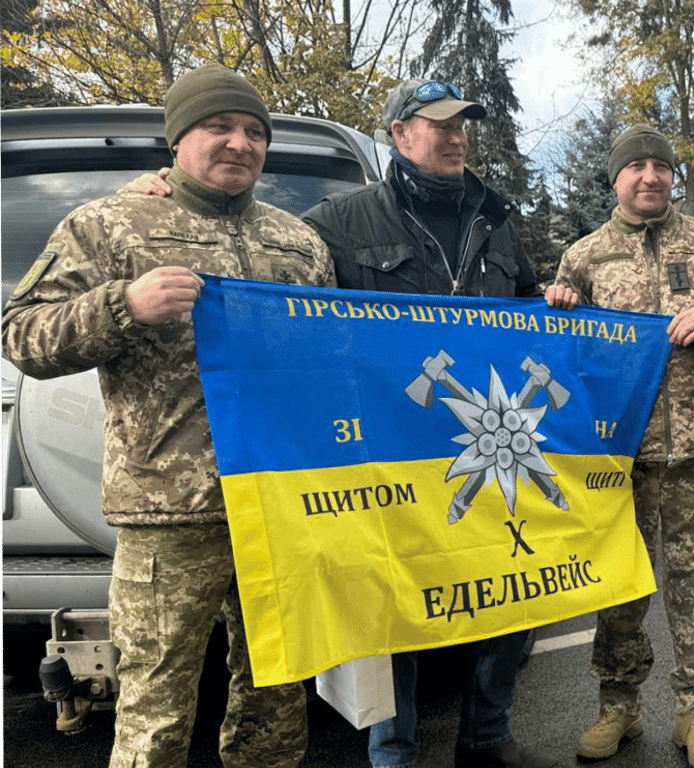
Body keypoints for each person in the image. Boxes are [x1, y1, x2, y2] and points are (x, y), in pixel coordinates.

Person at [1, 63, 330, 768]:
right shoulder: (111, 225)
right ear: (178, 138)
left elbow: (333, 359)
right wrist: (125, 304)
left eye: (253, 132)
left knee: (278, 695)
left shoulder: (299, 244)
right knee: (155, 710)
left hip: (279, 503)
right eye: (219, 126)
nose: (239, 143)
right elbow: (21, 335)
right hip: (170, 511)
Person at [301, 80, 571, 768]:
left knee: (510, 587)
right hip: (387, 451)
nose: (456, 136)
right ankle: (393, 749)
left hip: (489, 445)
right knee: (393, 600)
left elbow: (527, 316)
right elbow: (282, 305)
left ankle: (485, 738)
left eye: (464, 125)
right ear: (399, 133)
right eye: (440, 123)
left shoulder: (497, 221)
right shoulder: (341, 221)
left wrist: (556, 302)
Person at [553, 124, 694, 768]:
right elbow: (561, 356)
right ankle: (618, 708)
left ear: (671, 177)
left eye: (660, 166)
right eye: (636, 166)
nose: (649, 176)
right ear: (616, 178)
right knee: (619, 589)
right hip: (618, 458)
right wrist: (560, 309)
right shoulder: (585, 257)